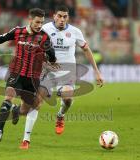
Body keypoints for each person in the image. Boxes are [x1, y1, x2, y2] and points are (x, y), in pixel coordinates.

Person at [0, 8, 57, 148]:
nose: (39, 25)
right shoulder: (18, 31)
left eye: (41, 22)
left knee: (31, 107)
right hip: (16, 74)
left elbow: (52, 57)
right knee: (8, 97)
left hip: (33, 78)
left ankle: (16, 111)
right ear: (30, 20)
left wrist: (51, 52)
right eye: (37, 22)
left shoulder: (44, 37)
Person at [20, 5, 104, 146]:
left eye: (65, 16)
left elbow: (86, 49)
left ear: (68, 17)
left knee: (68, 99)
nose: (62, 19)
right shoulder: (44, 29)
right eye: (59, 16)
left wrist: (96, 71)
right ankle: (26, 139)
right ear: (54, 16)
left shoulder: (75, 32)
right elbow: (34, 50)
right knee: (37, 103)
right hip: (47, 72)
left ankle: (60, 115)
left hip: (67, 73)